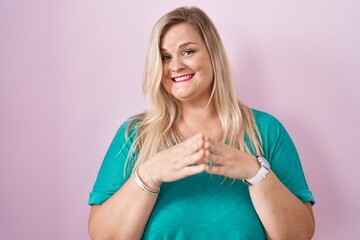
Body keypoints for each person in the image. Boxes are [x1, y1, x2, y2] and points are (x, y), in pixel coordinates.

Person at [88, 6, 315, 240]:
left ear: (213, 55)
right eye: (165, 57)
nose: (175, 66)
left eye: (187, 52)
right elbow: (104, 237)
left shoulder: (266, 131)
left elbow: (299, 235)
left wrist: (255, 172)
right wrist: (148, 174)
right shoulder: (134, 136)